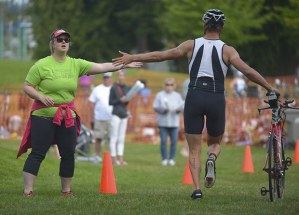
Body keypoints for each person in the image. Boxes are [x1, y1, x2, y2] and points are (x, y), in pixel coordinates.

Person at [112, 9, 278, 200]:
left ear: (204, 25)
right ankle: (212, 158)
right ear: (221, 27)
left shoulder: (191, 45)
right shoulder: (228, 50)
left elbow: (161, 56)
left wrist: (133, 57)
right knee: (215, 143)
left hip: (194, 96)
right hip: (216, 97)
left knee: (193, 149)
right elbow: (247, 71)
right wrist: (269, 87)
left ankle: (197, 189)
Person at [17, 29, 142, 197]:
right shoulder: (41, 64)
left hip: (67, 115)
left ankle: (66, 190)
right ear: (52, 43)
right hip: (44, 115)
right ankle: (28, 190)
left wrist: (124, 64)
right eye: (59, 39)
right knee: (38, 153)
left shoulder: (75, 64)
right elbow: (27, 86)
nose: (63, 42)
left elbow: (102, 66)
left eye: (66, 39)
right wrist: (40, 96)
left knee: (68, 153)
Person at [153, 78, 184, 166]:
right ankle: (164, 159)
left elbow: (182, 106)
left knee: (174, 141)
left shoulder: (177, 95)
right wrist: (163, 110)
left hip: (174, 122)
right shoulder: (160, 95)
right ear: (164, 85)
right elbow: (155, 107)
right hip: (163, 122)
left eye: (171, 85)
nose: (169, 87)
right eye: (167, 85)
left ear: (174, 86)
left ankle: (171, 159)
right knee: (163, 141)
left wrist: (178, 110)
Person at [88, 72, 113, 163]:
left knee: (111, 138)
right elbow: (91, 103)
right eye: (105, 78)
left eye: (108, 78)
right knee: (98, 138)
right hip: (99, 118)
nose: (106, 79)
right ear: (103, 79)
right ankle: (97, 155)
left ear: (111, 79)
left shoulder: (113, 89)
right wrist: (91, 117)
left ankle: (112, 156)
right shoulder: (97, 89)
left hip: (112, 118)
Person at [109, 69, 130, 166]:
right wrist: (120, 100)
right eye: (120, 75)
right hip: (116, 114)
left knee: (122, 137)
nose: (121, 77)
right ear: (117, 76)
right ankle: (113, 159)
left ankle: (120, 158)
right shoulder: (113, 87)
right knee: (114, 137)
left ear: (125, 76)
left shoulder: (127, 87)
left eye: (123, 75)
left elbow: (127, 102)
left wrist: (126, 100)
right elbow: (110, 102)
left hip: (124, 114)